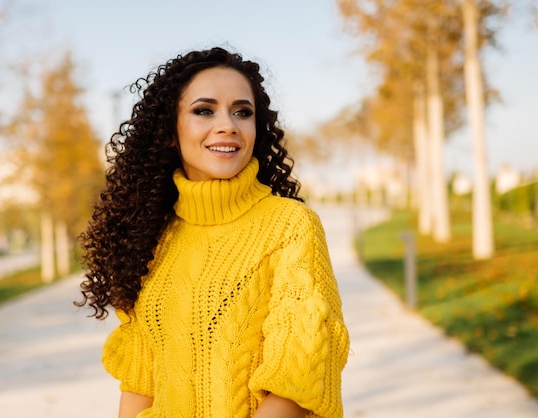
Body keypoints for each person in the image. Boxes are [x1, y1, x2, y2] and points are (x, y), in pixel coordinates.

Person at [77, 47, 349, 418]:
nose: (228, 125)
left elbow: (297, 380)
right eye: (204, 110)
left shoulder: (290, 226)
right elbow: (139, 385)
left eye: (242, 112)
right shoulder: (152, 238)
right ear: (170, 132)